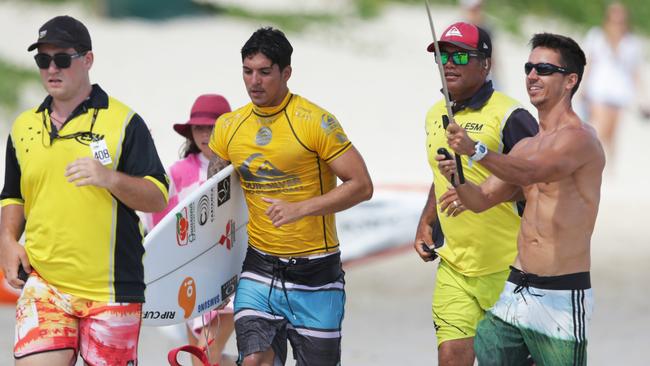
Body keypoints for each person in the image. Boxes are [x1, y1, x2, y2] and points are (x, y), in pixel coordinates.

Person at [0, 15, 169, 365]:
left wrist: (109, 178)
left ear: (87, 60)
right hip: (45, 283)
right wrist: (7, 240)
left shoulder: (124, 121)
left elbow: (156, 195)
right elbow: (13, 195)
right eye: (43, 60)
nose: (51, 68)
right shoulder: (23, 126)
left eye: (62, 58)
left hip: (112, 290)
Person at [207, 27, 373, 366]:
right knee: (253, 360)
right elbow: (215, 187)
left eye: (265, 72)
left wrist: (302, 209)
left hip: (316, 274)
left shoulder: (315, 122)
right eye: (247, 71)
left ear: (286, 73)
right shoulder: (229, 126)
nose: (254, 81)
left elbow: (361, 185)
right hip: (259, 267)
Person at [439, 32, 604, 365]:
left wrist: (474, 150)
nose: (531, 76)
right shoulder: (526, 146)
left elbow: (531, 173)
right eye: (529, 67)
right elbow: (481, 199)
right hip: (517, 287)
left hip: (561, 292)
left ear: (570, 80)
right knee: (487, 346)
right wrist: (457, 178)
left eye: (543, 69)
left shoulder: (580, 140)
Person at [413, 21, 539, 366]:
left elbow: (538, 181)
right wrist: (426, 221)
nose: (449, 63)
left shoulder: (511, 116)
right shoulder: (434, 113)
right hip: (455, 265)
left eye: (460, 56)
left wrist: (484, 190)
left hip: (509, 268)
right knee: (451, 357)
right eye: (442, 56)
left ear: (485, 64)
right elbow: (441, 177)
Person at [149, 94, 236, 366]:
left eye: (212, 127)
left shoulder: (241, 168)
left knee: (203, 356)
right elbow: (160, 223)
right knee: (200, 357)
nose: (205, 134)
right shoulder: (177, 172)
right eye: (199, 127)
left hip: (233, 276)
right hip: (192, 280)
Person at [581, 1, 649, 158]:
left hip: (620, 93)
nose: (617, 22)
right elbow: (588, 63)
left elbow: (635, 72)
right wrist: (581, 87)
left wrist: (644, 99)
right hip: (597, 89)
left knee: (612, 133)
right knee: (599, 126)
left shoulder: (631, 43)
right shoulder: (596, 36)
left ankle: (609, 168)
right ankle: (591, 160)